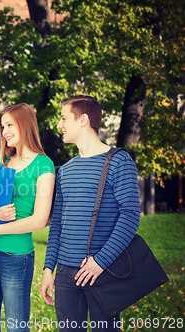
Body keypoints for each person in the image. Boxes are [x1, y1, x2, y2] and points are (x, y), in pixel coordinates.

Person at [40, 95, 140, 331]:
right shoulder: (64, 171)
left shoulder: (119, 161)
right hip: (65, 275)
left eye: (64, 118)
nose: (59, 125)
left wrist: (100, 262)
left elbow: (130, 216)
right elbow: (58, 225)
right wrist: (48, 269)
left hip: (102, 272)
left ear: (83, 119)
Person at [0, 104, 55, 332]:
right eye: (2, 126)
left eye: (10, 125)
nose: (5, 131)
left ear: (25, 124)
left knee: (17, 327)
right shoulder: (0, 162)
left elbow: (40, 220)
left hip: (16, 257)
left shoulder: (43, 165)